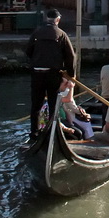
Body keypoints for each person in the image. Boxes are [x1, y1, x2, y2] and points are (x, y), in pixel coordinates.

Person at [25, 8, 76, 143]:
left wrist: (37, 60)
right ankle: (52, 132)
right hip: (53, 74)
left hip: (36, 73)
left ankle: (34, 134)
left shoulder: (36, 32)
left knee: (36, 104)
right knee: (53, 104)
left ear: (47, 19)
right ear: (58, 20)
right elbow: (70, 56)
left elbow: (28, 51)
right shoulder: (61, 34)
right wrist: (71, 75)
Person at [58, 73, 93, 139]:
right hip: (64, 119)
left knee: (81, 130)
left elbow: (66, 111)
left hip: (66, 118)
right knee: (84, 127)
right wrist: (71, 87)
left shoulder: (62, 92)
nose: (66, 86)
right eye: (65, 84)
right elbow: (69, 101)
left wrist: (70, 121)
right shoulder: (64, 93)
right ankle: (88, 140)